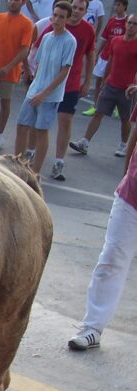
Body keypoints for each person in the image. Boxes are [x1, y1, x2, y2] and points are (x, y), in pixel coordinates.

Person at [68, 103, 137, 351]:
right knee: (111, 259)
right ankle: (92, 328)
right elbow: (134, 135)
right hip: (131, 196)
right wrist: (128, 174)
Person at [34, 0, 95, 181]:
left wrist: (87, 81)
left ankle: (59, 161)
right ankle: (31, 154)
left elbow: (90, 56)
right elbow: (39, 48)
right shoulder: (54, 27)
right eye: (74, 7)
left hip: (70, 85)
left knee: (65, 120)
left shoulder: (88, 30)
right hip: (47, 85)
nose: (76, 11)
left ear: (85, 12)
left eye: (80, 9)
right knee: (39, 122)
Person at [14, 0, 75, 176]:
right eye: (55, 15)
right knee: (21, 125)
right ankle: (17, 166)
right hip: (35, 90)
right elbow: (39, 63)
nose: (56, 19)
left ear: (67, 20)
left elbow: (64, 72)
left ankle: (35, 173)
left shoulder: (70, 41)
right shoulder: (47, 37)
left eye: (61, 17)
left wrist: (44, 93)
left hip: (50, 96)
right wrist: (34, 85)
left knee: (41, 130)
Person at [69, 14, 137, 158]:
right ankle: (85, 142)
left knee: (125, 119)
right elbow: (110, 62)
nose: (131, 26)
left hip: (127, 90)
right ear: (126, 24)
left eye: (134, 24)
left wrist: (134, 84)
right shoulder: (115, 41)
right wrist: (105, 81)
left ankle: (123, 145)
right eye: (129, 23)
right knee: (98, 113)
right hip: (110, 85)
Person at [0, 0, 34, 150]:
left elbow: (24, 51)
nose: (12, 2)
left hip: (10, 72)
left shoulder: (27, 24)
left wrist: (8, 67)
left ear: (23, 3)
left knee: (4, 102)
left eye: (17, 0)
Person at [84, 0, 128, 116]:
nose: (116, 7)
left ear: (124, 6)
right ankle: (95, 105)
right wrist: (97, 53)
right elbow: (104, 38)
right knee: (99, 80)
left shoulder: (128, 22)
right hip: (106, 55)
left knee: (116, 83)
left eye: (119, 5)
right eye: (116, 5)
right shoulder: (112, 21)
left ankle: (117, 107)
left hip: (118, 58)